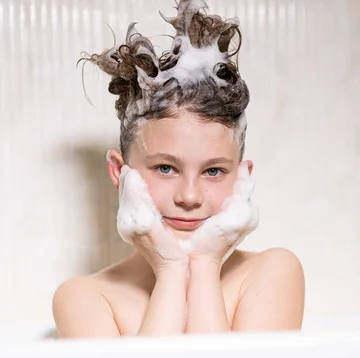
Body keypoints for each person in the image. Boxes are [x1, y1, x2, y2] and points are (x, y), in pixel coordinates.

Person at [51, 0, 305, 338]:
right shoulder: (86, 299)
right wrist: (171, 268)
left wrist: (205, 264)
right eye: (166, 168)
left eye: (213, 171)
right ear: (119, 172)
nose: (189, 196)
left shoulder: (272, 273)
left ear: (242, 178)